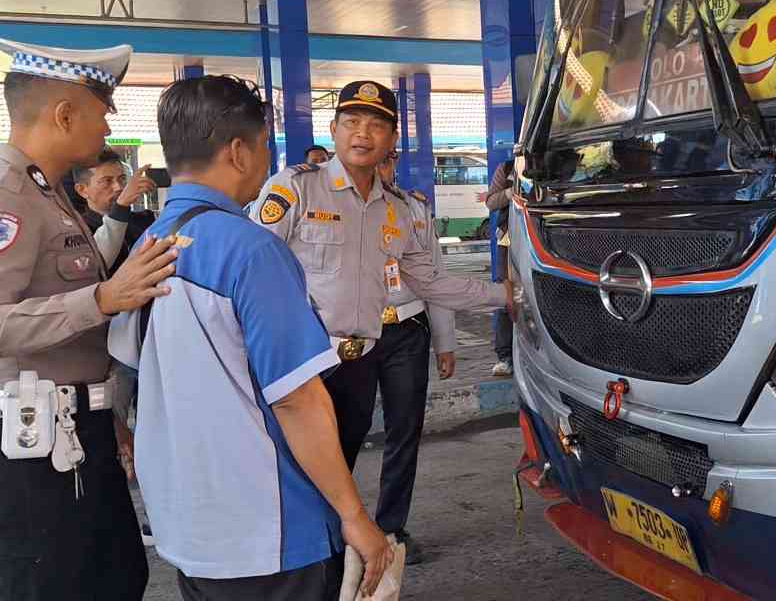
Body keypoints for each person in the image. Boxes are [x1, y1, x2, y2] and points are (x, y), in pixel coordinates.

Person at [107, 75, 393, 601]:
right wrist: (354, 516)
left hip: (189, 527)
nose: (267, 160)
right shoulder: (251, 251)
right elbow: (297, 400)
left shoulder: (147, 244)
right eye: (264, 146)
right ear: (238, 152)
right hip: (271, 534)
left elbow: (129, 368)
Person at [250, 80, 510, 475]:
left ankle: (341, 537)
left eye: (375, 126)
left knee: (341, 472)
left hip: (358, 364)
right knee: (295, 478)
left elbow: (431, 281)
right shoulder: (297, 188)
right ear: (334, 129)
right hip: (303, 364)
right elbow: (253, 272)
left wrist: (504, 295)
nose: (362, 134)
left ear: (392, 138)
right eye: (352, 121)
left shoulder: (397, 210)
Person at [0, 38, 178, 600]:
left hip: (81, 427)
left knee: (119, 576)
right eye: (102, 115)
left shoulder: (51, 194)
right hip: (35, 446)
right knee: (56, 584)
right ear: (64, 113)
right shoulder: (9, 194)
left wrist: (111, 416)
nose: (106, 133)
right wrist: (101, 299)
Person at [371, 152, 458, 565]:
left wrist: (445, 342)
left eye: (385, 161)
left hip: (407, 330)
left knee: (403, 431)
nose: (378, 170)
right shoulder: (327, 210)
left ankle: (390, 527)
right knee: (338, 434)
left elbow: (436, 280)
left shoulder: (415, 210)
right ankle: (334, 529)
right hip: (348, 335)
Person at [74, 148, 157, 275]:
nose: (119, 187)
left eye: (122, 179)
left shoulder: (145, 220)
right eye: (107, 181)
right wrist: (121, 206)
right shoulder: (77, 231)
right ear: (82, 190)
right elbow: (95, 268)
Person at [485, 158, 515, 377]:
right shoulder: (506, 168)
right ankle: (505, 357)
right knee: (505, 296)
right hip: (509, 240)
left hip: (542, 239)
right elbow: (491, 202)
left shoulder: (556, 163)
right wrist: (509, 193)